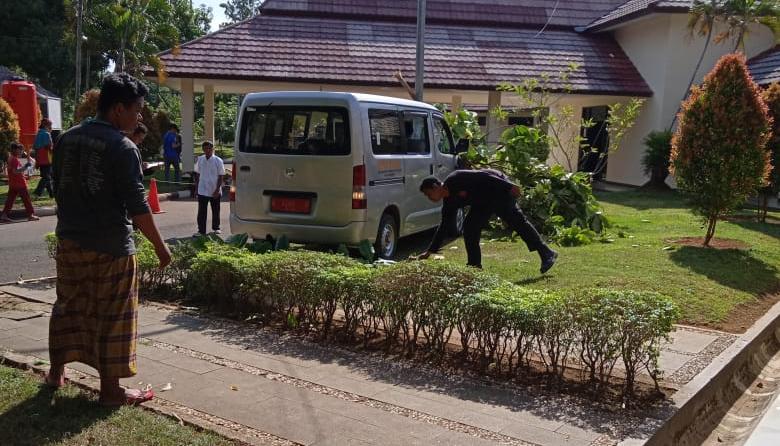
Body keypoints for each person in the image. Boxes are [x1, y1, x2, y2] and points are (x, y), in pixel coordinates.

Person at [46, 73, 171, 406]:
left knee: (68, 305)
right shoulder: (122, 146)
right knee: (113, 318)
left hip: (70, 241)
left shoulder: (67, 139)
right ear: (118, 109)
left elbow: (57, 186)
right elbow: (138, 204)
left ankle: (56, 372)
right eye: (137, 109)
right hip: (111, 249)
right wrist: (161, 247)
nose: (140, 116)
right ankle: (112, 392)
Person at [414, 169, 558, 273]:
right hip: (482, 202)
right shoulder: (449, 202)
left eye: (428, 194)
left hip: (497, 190)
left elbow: (485, 176)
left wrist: (509, 186)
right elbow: (444, 226)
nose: (429, 198)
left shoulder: (455, 178)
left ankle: (547, 253)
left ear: (435, 187)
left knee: (518, 222)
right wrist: (430, 251)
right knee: (470, 228)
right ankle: (474, 267)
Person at [1, 142, 39, 222]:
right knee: (26, 200)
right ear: (15, 150)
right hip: (20, 184)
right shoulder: (14, 159)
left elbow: (13, 172)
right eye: (20, 150)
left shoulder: (11, 158)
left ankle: (4, 215)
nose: (22, 151)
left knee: (10, 200)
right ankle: (30, 215)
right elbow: (15, 171)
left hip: (13, 183)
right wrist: (26, 166)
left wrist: (24, 174)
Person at [194, 140, 225, 235]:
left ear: (212, 149)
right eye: (205, 148)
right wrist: (196, 188)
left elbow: (221, 176)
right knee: (201, 212)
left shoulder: (218, 160)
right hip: (202, 189)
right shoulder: (200, 159)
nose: (207, 150)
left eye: (209, 148)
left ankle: (216, 228)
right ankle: (201, 231)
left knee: (215, 210)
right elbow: (198, 174)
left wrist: (217, 190)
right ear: (203, 149)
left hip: (214, 189)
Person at [33, 118, 54, 197]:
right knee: (46, 177)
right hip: (46, 158)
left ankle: (52, 194)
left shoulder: (38, 134)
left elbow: (35, 146)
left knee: (47, 176)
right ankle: (37, 192)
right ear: (46, 126)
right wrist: (53, 152)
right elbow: (48, 146)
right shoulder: (46, 134)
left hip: (39, 158)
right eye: (50, 126)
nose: (51, 128)